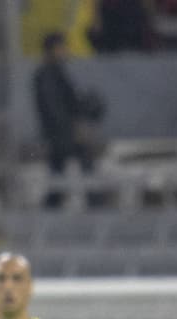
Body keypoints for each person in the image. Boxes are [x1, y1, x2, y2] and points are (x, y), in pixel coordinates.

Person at [33, 32, 101, 207]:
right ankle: (94, 201)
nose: (65, 51)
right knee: (83, 158)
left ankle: (54, 205)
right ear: (52, 49)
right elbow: (54, 108)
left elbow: (71, 102)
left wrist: (87, 105)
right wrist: (73, 129)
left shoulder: (56, 72)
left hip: (60, 133)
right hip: (59, 134)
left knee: (58, 172)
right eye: (62, 47)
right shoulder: (47, 75)